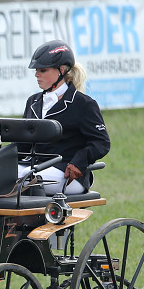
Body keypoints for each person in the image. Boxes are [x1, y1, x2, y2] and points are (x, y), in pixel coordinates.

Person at [18, 40, 110, 195]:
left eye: (42, 70)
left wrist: (79, 161)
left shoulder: (83, 104)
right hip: (35, 165)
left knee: (25, 177)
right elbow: (22, 144)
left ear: (61, 70)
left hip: (68, 172)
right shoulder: (33, 102)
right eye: (36, 70)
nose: (36, 74)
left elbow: (101, 142)